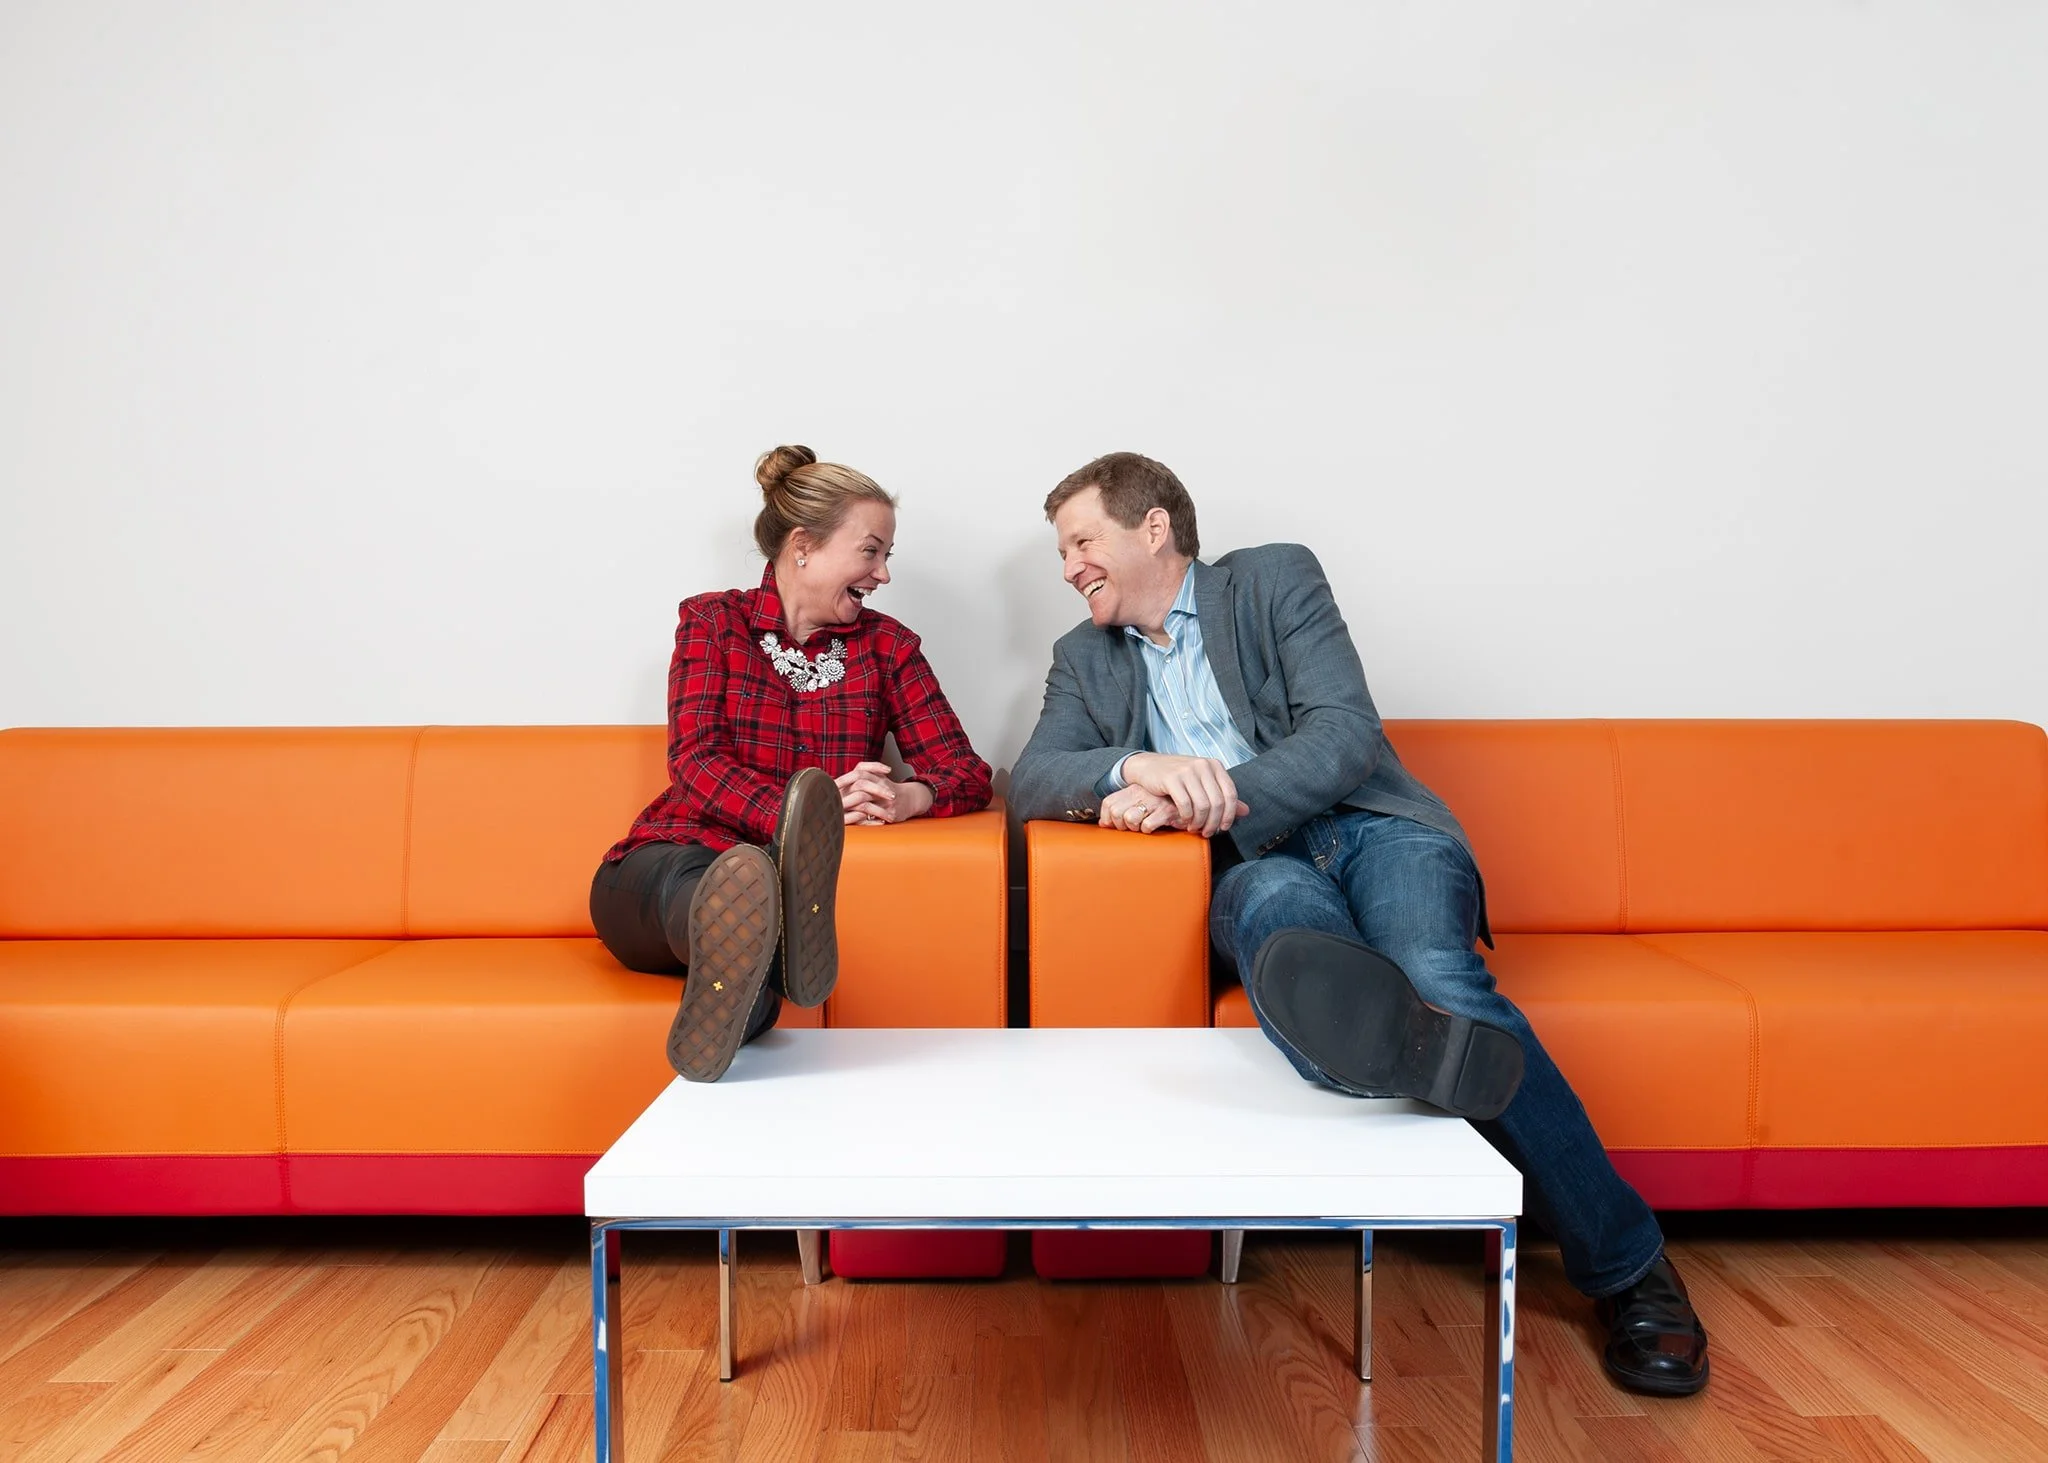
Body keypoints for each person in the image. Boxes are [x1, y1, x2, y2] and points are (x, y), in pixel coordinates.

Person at [1008, 451, 1709, 1397]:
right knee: (1299, 945)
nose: (1070, 568)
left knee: (1435, 976)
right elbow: (1035, 781)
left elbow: (1341, 734)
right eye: (1063, 553)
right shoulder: (1080, 658)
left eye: (1082, 541)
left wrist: (1204, 798)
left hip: (1378, 830)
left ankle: (1628, 1271)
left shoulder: (1273, 578)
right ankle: (1390, 1052)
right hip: (1261, 871)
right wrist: (1134, 769)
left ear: (1154, 529)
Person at [593, 445, 992, 1082]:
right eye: (870, 551)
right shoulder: (712, 622)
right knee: (714, 887)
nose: (882, 575)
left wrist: (907, 797)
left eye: (887, 555)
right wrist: (810, 813)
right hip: (668, 862)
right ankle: (757, 937)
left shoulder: (888, 648)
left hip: (796, 887)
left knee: (752, 927)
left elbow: (966, 772)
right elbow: (695, 764)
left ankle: (756, 971)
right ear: (803, 545)